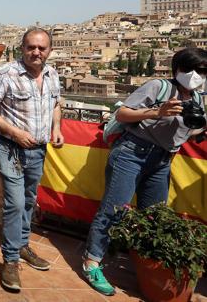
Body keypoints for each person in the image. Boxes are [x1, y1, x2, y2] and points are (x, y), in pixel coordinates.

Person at [82, 47, 207, 296]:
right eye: (189, 69)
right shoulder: (158, 86)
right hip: (132, 152)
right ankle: (92, 262)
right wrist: (157, 111)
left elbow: (184, 133)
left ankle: (147, 264)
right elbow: (123, 113)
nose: (195, 75)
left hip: (162, 160)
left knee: (154, 215)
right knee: (114, 210)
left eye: (201, 70)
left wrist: (200, 131)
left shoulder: (199, 99)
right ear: (177, 69)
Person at [0, 27, 64, 292]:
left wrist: (57, 129)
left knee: (29, 200)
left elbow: (56, 104)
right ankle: (11, 260)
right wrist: (14, 133)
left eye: (41, 48)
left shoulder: (52, 74)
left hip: (39, 149)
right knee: (14, 203)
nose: (36, 52)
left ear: (49, 50)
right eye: (31, 47)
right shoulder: (6, 74)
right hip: (11, 149)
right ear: (22, 48)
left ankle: (22, 245)